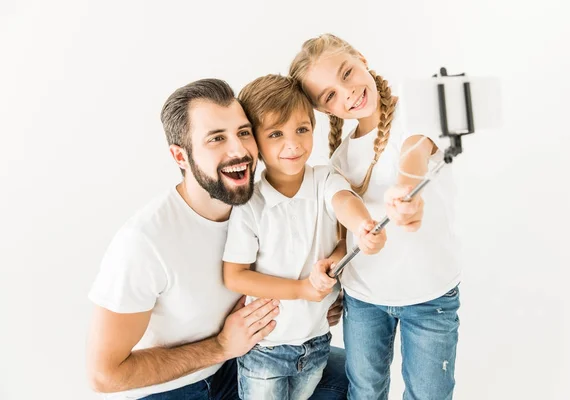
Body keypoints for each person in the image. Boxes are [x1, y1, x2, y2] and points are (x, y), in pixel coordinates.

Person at [86, 78, 349, 400]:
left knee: (349, 374)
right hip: (168, 388)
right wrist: (220, 346)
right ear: (180, 156)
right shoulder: (144, 242)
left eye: (243, 133)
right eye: (216, 139)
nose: (238, 150)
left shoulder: (258, 207)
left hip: (234, 364)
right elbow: (104, 375)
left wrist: (319, 300)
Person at [289, 34, 461, 400]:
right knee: (365, 392)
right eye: (330, 96)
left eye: (347, 73)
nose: (347, 93)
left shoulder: (415, 111)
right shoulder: (339, 160)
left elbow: (413, 154)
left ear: (361, 58)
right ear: (324, 111)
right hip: (364, 299)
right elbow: (343, 238)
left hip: (430, 297)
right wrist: (332, 267)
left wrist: (404, 190)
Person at [222, 75, 387, 399]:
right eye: (275, 134)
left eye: (302, 129)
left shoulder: (324, 178)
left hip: (315, 344)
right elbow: (235, 276)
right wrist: (301, 289)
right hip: (265, 349)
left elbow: (344, 203)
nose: (293, 144)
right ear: (254, 141)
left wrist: (361, 226)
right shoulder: (251, 205)